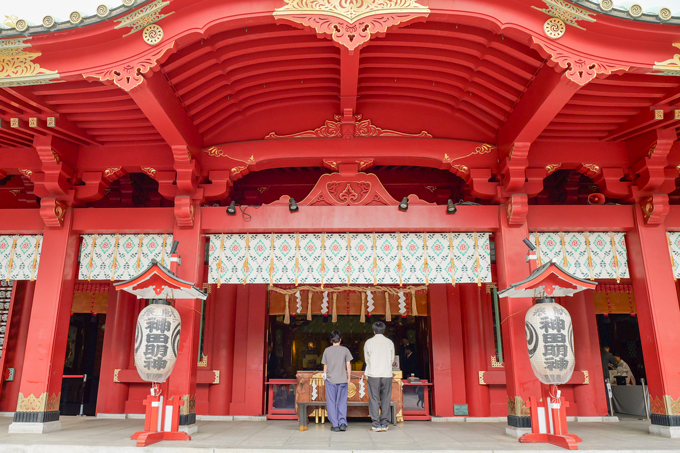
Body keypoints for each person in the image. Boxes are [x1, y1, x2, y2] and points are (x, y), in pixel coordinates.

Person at [364, 321, 395, 432]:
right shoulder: (389, 342)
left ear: (374, 331)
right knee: (386, 399)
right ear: (383, 330)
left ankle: (376, 424)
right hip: (386, 374)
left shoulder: (369, 342)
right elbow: (392, 359)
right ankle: (385, 424)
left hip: (374, 374)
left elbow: (367, 359)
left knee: (374, 399)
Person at [321, 331, 352, 432]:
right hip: (342, 380)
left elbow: (325, 366)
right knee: (342, 402)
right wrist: (349, 378)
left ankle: (335, 424)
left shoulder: (326, 350)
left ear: (331, 340)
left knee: (331, 402)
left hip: (330, 380)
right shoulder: (345, 350)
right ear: (340, 339)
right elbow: (348, 365)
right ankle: (342, 422)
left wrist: (325, 375)